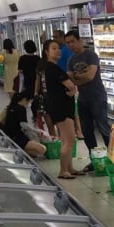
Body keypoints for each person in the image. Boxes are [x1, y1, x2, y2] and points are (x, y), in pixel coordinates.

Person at [65, 29, 110, 168]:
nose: (71, 45)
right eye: (68, 43)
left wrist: (77, 78)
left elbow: (90, 76)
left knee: (104, 129)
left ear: (80, 40)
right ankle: (95, 160)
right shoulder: (71, 60)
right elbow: (71, 79)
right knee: (87, 131)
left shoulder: (91, 55)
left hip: (97, 97)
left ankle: (113, 158)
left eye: (73, 41)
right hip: (83, 99)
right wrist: (79, 79)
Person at [40, 39, 81, 179]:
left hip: (57, 107)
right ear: (47, 52)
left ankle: (69, 167)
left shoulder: (47, 68)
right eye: (53, 48)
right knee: (69, 140)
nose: (57, 51)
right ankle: (63, 170)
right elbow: (70, 85)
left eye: (58, 48)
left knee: (67, 139)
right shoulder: (53, 68)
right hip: (61, 108)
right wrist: (72, 90)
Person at [1, 91, 47, 158]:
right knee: (43, 149)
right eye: (30, 101)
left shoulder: (12, 106)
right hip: (17, 138)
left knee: (34, 152)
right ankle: (19, 150)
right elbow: (24, 125)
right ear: (25, 99)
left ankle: (20, 150)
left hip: (8, 135)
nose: (30, 104)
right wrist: (37, 131)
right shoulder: (21, 109)